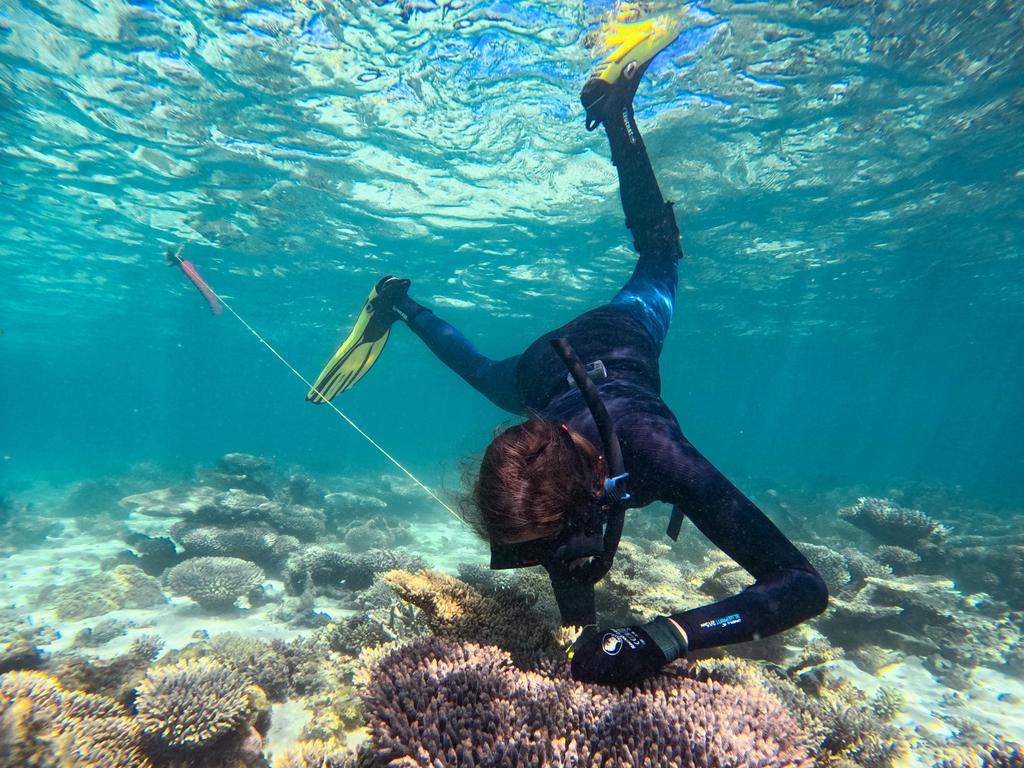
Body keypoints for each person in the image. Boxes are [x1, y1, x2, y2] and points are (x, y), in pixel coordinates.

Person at [307, 10, 828, 686]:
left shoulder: (656, 454)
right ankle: (403, 303)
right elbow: (559, 534)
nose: (549, 558)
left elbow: (801, 585)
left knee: (657, 259)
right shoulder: (544, 465)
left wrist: (662, 639)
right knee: (489, 360)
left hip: (617, 334)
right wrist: (576, 627)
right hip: (545, 373)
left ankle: (614, 117)